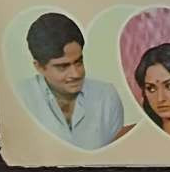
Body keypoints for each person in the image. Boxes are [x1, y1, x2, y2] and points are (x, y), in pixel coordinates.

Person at [15, 12, 124, 150]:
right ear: (39, 67)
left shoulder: (107, 96)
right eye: (63, 66)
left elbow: (116, 154)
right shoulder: (19, 98)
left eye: (79, 62)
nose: (76, 74)